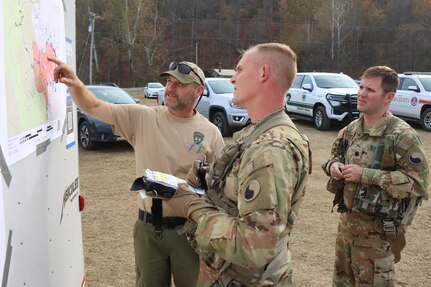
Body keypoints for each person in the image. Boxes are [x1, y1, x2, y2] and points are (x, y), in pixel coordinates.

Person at [143, 42, 312, 286]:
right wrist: (207, 182)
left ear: (263, 73)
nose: (233, 79)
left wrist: (191, 206)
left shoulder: (271, 149)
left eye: (240, 70)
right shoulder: (256, 135)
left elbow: (253, 246)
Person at [49, 58, 225, 287]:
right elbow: (94, 107)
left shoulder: (210, 133)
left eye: (179, 84)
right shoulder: (143, 118)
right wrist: (75, 84)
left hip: (190, 231)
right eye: (169, 82)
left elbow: (221, 187)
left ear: (198, 90)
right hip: (149, 230)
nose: (170, 88)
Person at [322, 66, 429, 286]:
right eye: (361, 86)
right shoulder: (351, 130)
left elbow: (419, 184)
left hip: (377, 239)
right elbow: (333, 157)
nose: (361, 93)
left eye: (370, 89)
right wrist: (333, 166)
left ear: (388, 97)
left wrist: (367, 175)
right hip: (346, 232)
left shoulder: (402, 136)